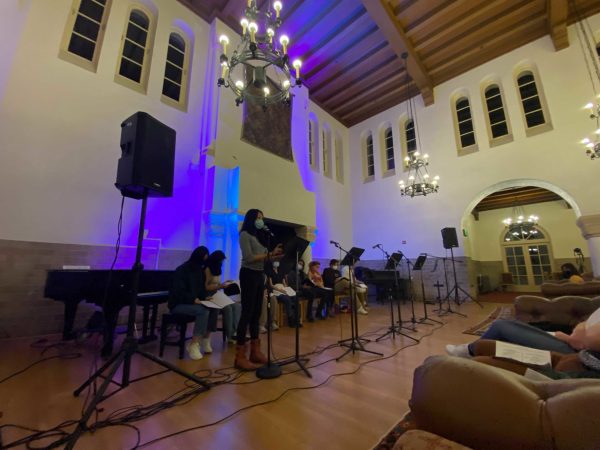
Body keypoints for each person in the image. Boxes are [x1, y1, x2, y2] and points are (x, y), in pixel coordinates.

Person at [446, 305, 600, 358]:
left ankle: (469, 351)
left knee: (500, 326)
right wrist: (581, 328)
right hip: (574, 342)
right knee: (510, 328)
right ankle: (473, 350)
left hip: (578, 353)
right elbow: (585, 324)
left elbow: (590, 341)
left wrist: (570, 339)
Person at [235, 209, 283, 370]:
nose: (261, 220)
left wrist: (277, 255)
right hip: (248, 274)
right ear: (251, 219)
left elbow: (264, 257)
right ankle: (239, 355)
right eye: (258, 217)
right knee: (247, 312)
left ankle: (255, 352)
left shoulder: (259, 236)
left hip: (259, 274)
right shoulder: (244, 235)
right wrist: (269, 254)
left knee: (256, 312)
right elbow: (249, 257)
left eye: (262, 218)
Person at [168, 246, 218, 360]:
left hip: (193, 303)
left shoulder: (199, 271)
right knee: (203, 311)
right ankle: (194, 343)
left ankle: (206, 338)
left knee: (214, 308)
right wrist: (193, 300)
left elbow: (201, 290)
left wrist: (205, 298)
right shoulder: (182, 270)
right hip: (178, 305)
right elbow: (178, 291)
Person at [204, 250, 241, 345]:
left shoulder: (217, 269)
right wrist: (220, 287)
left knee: (237, 306)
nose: (222, 263)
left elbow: (216, 283)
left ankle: (236, 331)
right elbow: (206, 287)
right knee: (228, 308)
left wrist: (224, 283)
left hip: (217, 294)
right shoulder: (208, 269)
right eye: (221, 261)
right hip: (209, 296)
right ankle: (230, 335)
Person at [266, 261, 298, 327]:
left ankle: (296, 318)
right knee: (287, 299)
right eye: (275, 261)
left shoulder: (281, 272)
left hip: (283, 288)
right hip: (275, 290)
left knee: (295, 297)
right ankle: (290, 319)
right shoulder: (270, 272)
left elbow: (284, 283)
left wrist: (287, 289)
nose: (277, 263)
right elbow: (271, 285)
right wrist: (280, 290)